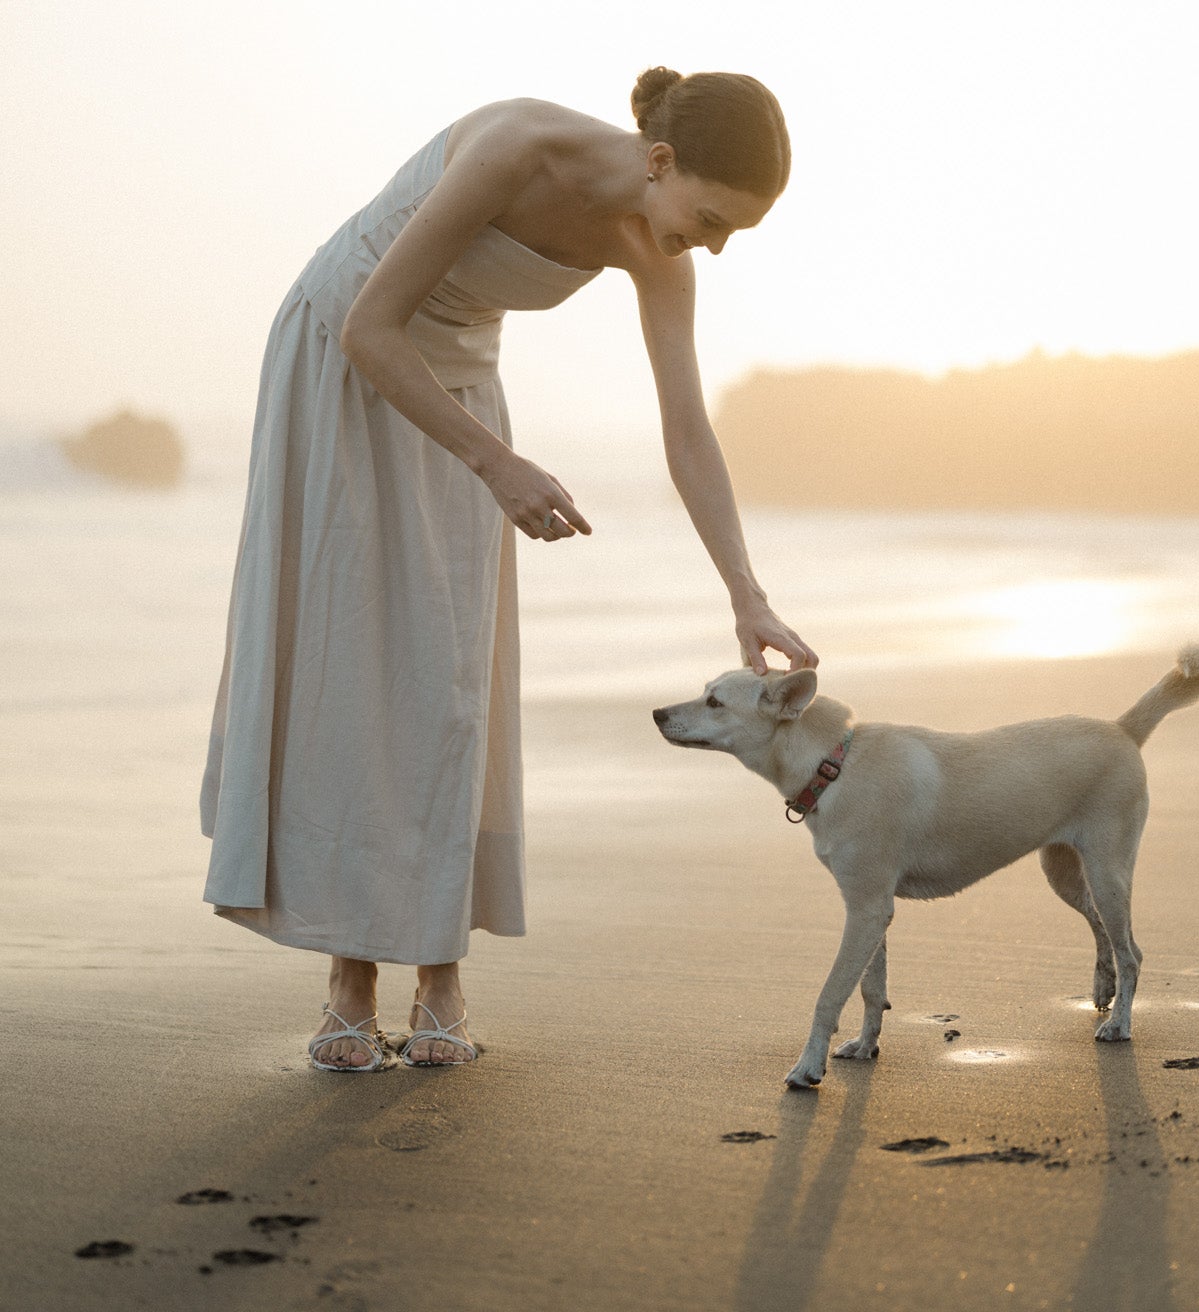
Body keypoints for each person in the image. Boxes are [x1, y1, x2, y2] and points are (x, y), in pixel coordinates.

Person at [200, 66, 816, 1070]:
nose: (713, 243)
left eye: (732, 231)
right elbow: (369, 323)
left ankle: (440, 970)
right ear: (659, 162)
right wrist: (497, 464)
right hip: (347, 359)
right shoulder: (517, 146)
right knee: (353, 670)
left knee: (449, 679)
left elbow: (688, 431)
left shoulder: (659, 254)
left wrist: (746, 594)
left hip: (461, 378)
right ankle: (348, 982)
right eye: (711, 216)